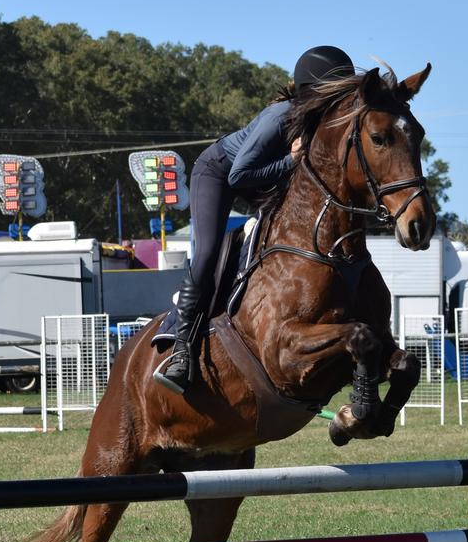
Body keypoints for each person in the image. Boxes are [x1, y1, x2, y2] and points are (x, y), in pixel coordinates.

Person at [152, 45, 356, 394]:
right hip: (218, 173)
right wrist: (292, 162)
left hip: (258, 178)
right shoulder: (280, 116)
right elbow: (239, 175)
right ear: (316, 90)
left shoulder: (318, 123)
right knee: (207, 255)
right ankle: (181, 347)